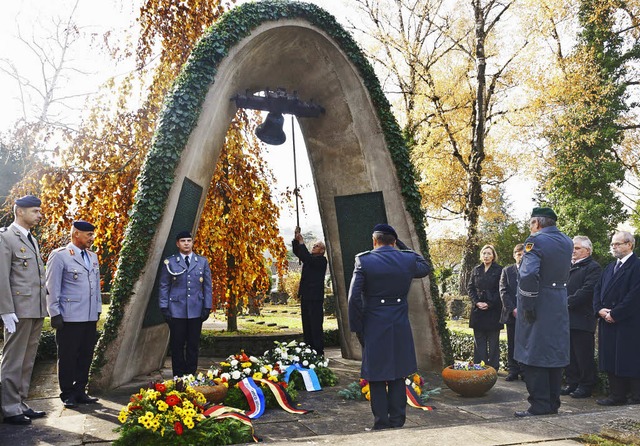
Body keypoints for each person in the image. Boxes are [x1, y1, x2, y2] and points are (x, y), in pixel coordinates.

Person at [348, 223, 431, 430]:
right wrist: (401, 247)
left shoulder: (364, 260)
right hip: (399, 322)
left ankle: (381, 422)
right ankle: (397, 421)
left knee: (376, 374)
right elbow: (424, 267)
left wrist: (358, 327)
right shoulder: (407, 259)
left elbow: (353, 298)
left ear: (374, 241)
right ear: (393, 241)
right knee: (398, 372)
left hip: (374, 323)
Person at [514, 207, 573, 417]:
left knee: (534, 353)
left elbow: (529, 274)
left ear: (537, 223)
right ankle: (552, 404)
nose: (530, 228)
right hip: (558, 300)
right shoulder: (567, 241)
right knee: (554, 354)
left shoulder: (535, 241)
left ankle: (539, 405)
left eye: (531, 223)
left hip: (539, 301)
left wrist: (528, 304)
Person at [0, 195, 48, 425]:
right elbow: (2, 277)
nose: (39, 215)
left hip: (35, 308)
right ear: (20, 211)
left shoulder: (31, 239)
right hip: (18, 310)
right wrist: (6, 310)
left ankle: (20, 402)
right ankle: (10, 408)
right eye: (35, 211)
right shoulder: (6, 238)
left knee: (27, 359)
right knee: (13, 359)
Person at [46, 220, 102, 409]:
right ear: (76, 233)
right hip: (69, 317)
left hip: (89, 316)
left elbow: (96, 287)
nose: (92, 238)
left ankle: (80, 390)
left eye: (92, 235)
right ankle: (67, 393)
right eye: (88, 235)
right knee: (68, 355)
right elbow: (52, 287)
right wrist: (54, 313)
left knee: (86, 355)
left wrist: (98, 310)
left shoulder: (93, 257)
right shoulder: (60, 256)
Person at [593, 231, 640, 406]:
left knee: (629, 359)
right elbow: (597, 290)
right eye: (613, 244)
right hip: (607, 321)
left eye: (618, 244)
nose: (614, 247)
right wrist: (599, 310)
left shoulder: (637, 266)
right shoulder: (609, 267)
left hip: (628, 323)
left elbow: (635, 296)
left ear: (629, 245)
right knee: (611, 359)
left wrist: (615, 313)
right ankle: (616, 395)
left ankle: (636, 396)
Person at [159, 230, 212, 378]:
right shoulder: (170, 262)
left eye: (189, 240)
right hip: (176, 310)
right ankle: (178, 376)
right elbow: (164, 285)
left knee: (193, 345)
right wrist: (164, 307)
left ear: (192, 243)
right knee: (177, 345)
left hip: (196, 309)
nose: (186, 243)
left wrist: (207, 306)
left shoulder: (202, 262)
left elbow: (207, 286)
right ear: (178, 244)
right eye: (183, 241)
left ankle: (190, 375)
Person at [560, 236, 601, 399]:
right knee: (569, 353)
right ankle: (572, 382)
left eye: (577, 248)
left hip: (582, 318)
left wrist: (565, 303)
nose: (573, 251)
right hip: (566, 318)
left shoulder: (593, 267)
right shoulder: (567, 266)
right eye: (572, 248)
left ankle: (586, 385)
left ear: (587, 250)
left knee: (583, 354)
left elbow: (587, 290)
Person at [292, 226, 327, 356]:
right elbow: (299, 253)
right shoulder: (310, 258)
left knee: (315, 324)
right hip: (306, 296)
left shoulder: (321, 261)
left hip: (315, 298)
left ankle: (318, 351)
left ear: (322, 250)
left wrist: (302, 242)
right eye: (314, 245)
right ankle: (309, 349)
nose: (313, 247)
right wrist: (296, 239)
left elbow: (307, 258)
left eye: (316, 246)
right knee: (306, 324)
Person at [468, 244, 503, 371]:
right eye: (484, 253)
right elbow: (470, 288)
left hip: (493, 310)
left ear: (493, 256)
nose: (486, 256)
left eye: (489, 253)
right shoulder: (476, 269)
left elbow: (501, 290)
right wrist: (477, 302)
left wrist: (489, 303)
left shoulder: (499, 270)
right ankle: (480, 366)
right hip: (478, 310)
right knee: (479, 341)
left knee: (493, 341)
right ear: (481, 255)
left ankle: (493, 368)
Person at [499, 243, 525, 381]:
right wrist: (513, 309)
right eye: (519, 254)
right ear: (514, 255)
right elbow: (503, 291)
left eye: (523, 254)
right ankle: (513, 370)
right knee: (512, 343)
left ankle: (525, 371)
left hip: (527, 314)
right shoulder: (507, 271)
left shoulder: (532, 270)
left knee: (525, 343)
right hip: (512, 313)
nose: (521, 257)